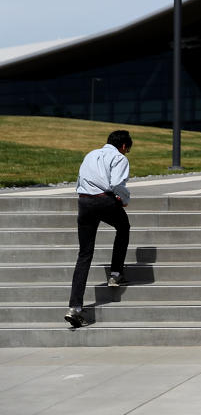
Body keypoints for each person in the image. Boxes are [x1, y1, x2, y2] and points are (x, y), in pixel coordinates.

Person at [65, 130, 133, 328]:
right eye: (127, 149)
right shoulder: (119, 158)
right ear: (123, 147)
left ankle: (75, 307)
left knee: (84, 254)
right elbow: (116, 184)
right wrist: (125, 200)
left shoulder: (91, 154)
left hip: (84, 201)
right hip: (103, 201)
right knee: (123, 227)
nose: (126, 153)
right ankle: (115, 273)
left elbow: (81, 179)